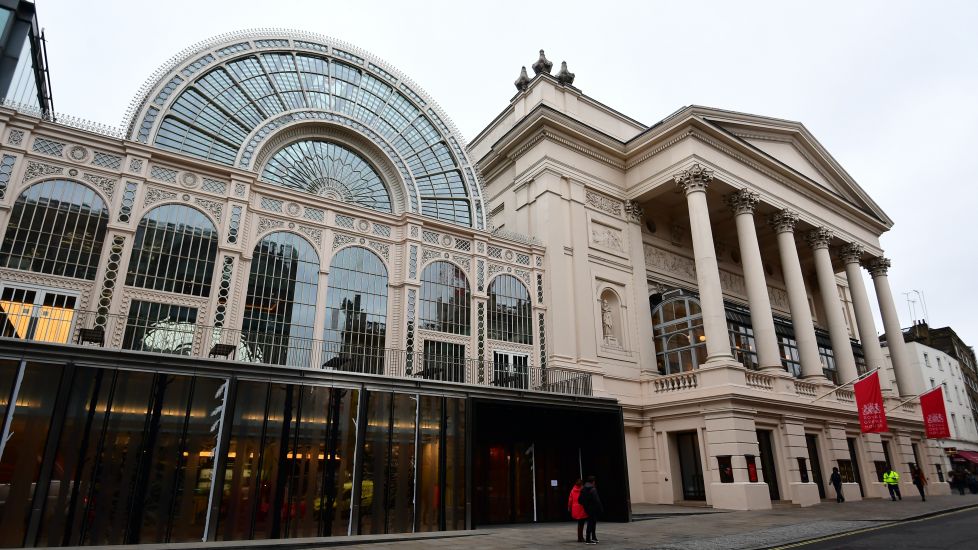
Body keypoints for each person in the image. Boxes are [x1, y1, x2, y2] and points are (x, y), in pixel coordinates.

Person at [578, 475, 603, 545]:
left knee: (592, 522)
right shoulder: (592, 489)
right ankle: (588, 539)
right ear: (593, 482)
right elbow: (597, 500)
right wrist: (600, 508)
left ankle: (593, 537)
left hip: (587, 508)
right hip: (593, 508)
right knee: (591, 523)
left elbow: (579, 500)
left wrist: (585, 505)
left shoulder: (583, 488)